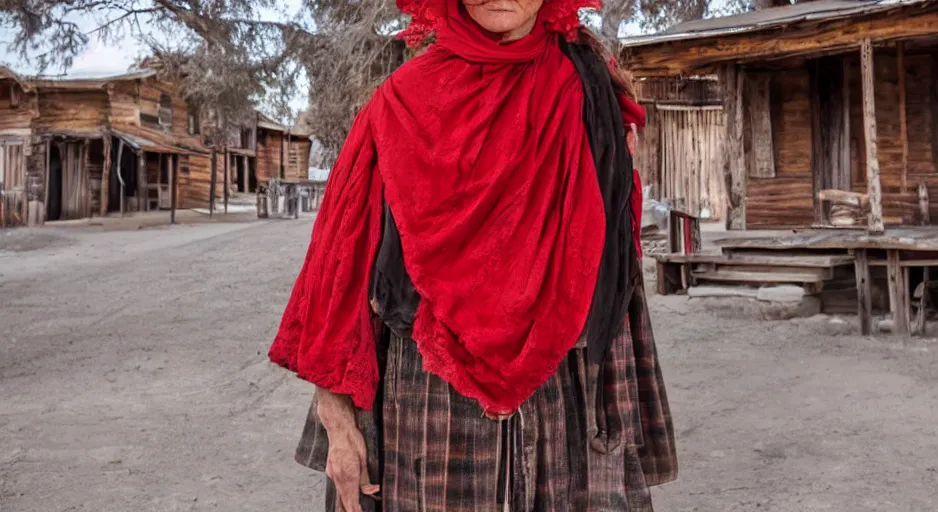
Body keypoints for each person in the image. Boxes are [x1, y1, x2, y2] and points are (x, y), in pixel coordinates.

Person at [267, 0, 677, 510]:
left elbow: (615, 274)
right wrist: (337, 422)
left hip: (563, 393)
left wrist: (617, 418)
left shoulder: (589, 94)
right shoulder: (401, 100)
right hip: (425, 406)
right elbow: (341, 271)